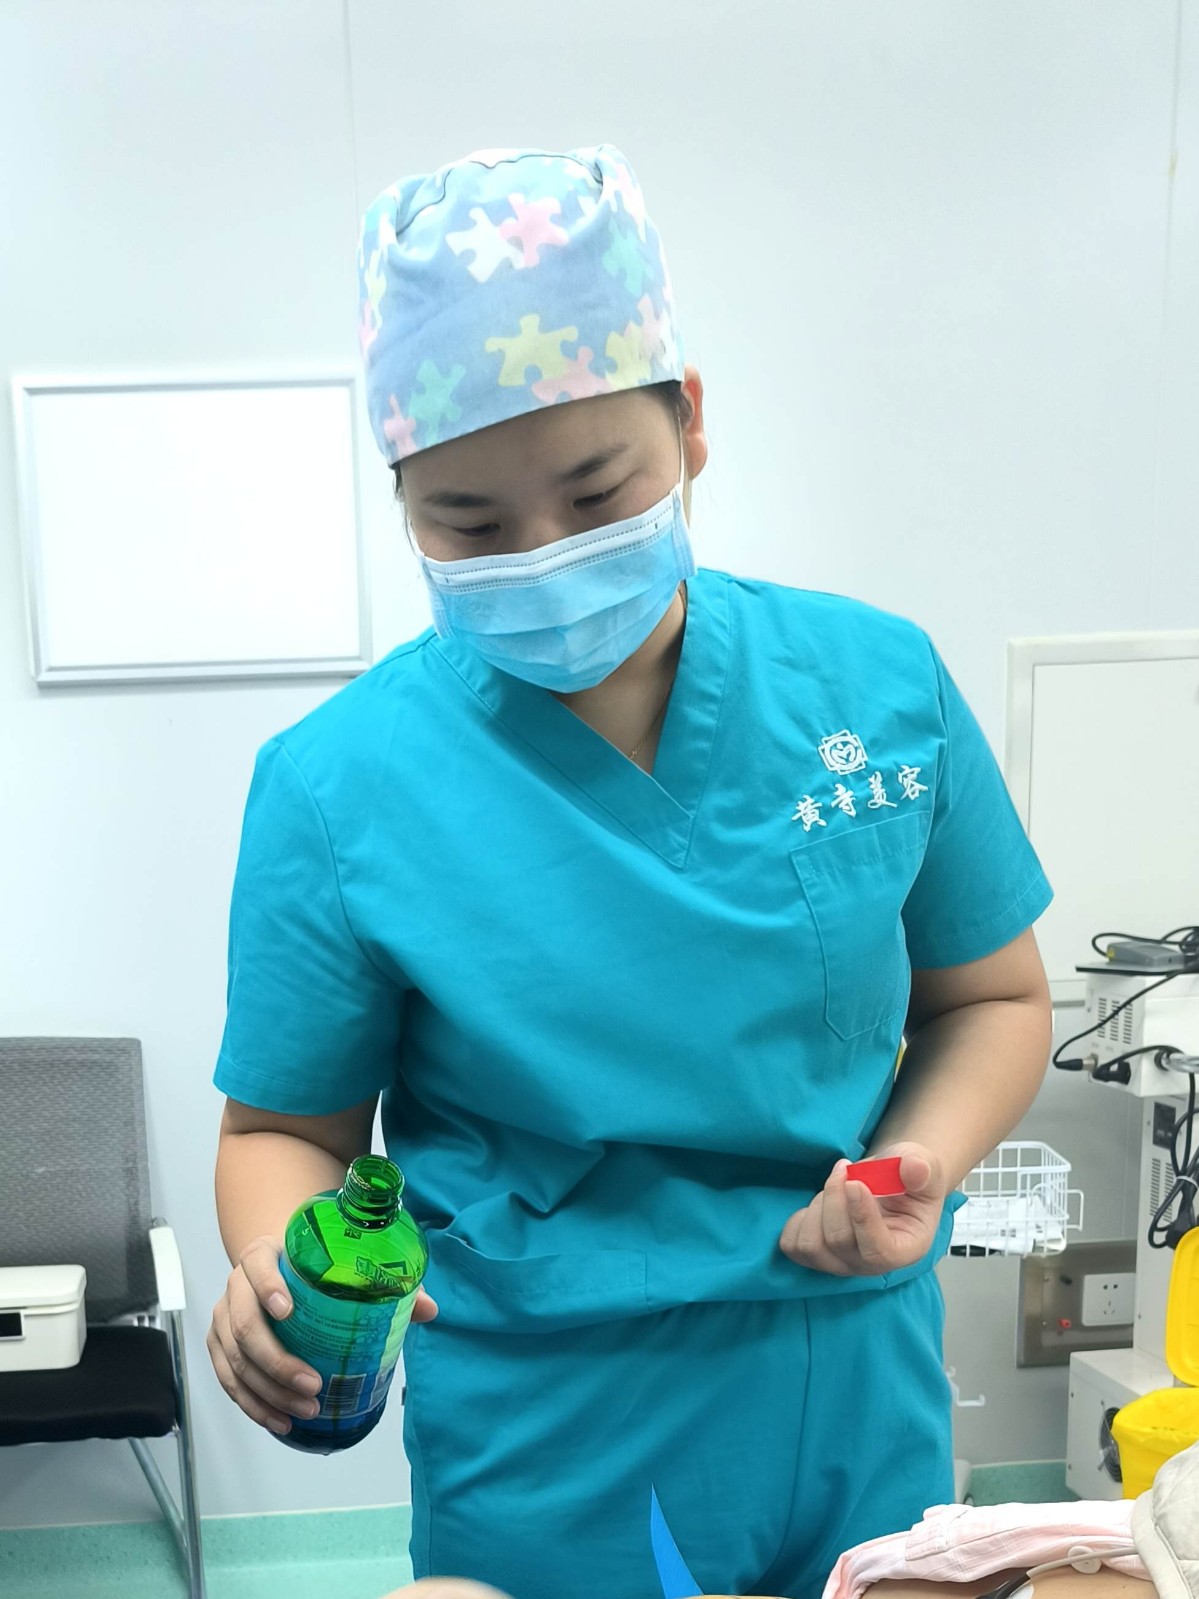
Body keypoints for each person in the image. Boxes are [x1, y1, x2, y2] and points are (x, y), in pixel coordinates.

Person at [207, 144, 1055, 1599]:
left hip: (851, 1368)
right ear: (401, 500)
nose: (542, 557)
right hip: (548, 1419)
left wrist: (918, 1161)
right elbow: (285, 1128)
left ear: (691, 424)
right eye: (469, 523)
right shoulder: (339, 784)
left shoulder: (876, 688)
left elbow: (991, 998)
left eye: (598, 493)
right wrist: (282, 1271)